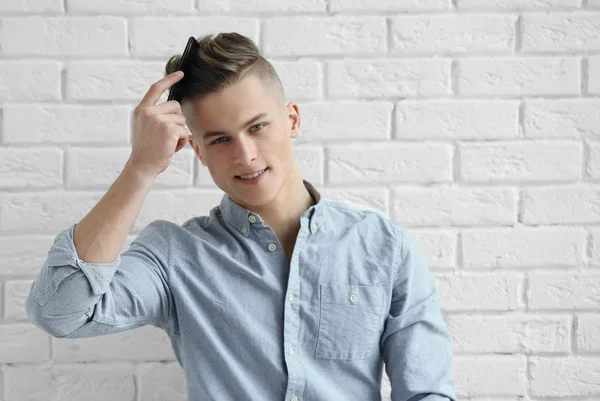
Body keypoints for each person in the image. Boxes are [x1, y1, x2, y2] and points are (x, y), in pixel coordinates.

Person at [26, 33, 456, 401]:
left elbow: (427, 390)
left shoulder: (382, 244)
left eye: (257, 127)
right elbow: (61, 312)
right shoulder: (175, 256)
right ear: (195, 149)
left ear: (291, 120)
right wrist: (141, 167)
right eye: (219, 139)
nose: (245, 155)